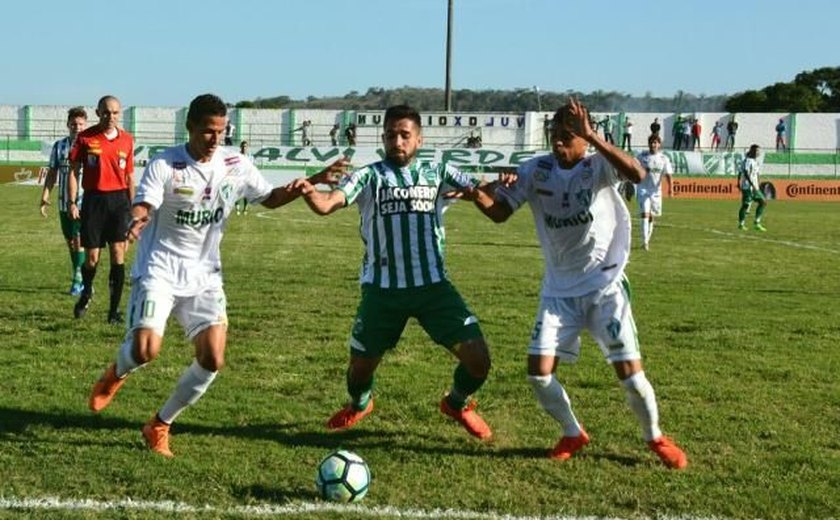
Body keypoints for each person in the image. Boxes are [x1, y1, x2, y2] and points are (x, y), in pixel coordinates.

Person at [462, 98, 688, 469]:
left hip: (605, 287)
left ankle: (656, 437)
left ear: (584, 137)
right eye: (555, 135)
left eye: (568, 136)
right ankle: (572, 432)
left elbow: (638, 175)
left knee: (630, 378)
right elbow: (501, 213)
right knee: (537, 373)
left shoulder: (598, 164)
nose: (558, 143)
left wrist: (594, 139)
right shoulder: (536, 170)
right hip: (558, 292)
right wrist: (477, 195)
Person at [86, 93, 315, 458]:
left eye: (221, 131)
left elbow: (268, 197)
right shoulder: (166, 163)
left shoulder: (236, 164)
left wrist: (307, 183)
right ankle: (117, 372)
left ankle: (159, 424)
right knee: (146, 350)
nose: (216, 139)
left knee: (213, 359)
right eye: (209, 131)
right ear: (190, 127)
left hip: (205, 274)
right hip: (160, 269)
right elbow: (145, 202)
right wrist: (138, 216)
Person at [291, 104, 494, 441]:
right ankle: (360, 404)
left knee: (479, 360)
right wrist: (311, 192)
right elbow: (329, 204)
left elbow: (481, 189)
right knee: (358, 371)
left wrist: (498, 185)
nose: (396, 142)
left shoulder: (438, 171)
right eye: (390, 135)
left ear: (419, 139)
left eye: (404, 135)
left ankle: (456, 403)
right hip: (382, 291)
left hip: (433, 289)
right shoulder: (368, 176)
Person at [67, 95, 135, 324]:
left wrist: (134, 208)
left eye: (115, 112)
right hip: (94, 201)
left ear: (120, 113)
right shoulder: (85, 138)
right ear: (98, 113)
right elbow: (74, 172)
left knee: (118, 254)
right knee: (92, 258)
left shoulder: (127, 140)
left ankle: (113, 312)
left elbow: (130, 176)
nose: (110, 117)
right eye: (106, 112)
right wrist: (72, 201)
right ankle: (86, 292)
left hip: (119, 202)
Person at [40, 107, 88, 296]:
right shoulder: (59, 146)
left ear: (86, 126)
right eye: (74, 124)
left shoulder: (90, 146)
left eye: (81, 124)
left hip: (84, 202)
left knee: (78, 239)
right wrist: (45, 195)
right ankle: (79, 273)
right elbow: (52, 173)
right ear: (68, 125)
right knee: (70, 241)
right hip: (63, 202)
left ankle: (79, 279)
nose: (77, 127)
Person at [635, 134, 674, 250]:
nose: (653, 145)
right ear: (648, 144)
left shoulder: (664, 159)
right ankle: (644, 242)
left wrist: (671, 188)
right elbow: (632, 167)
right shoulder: (641, 157)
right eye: (651, 142)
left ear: (659, 145)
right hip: (643, 189)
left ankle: (647, 239)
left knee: (651, 216)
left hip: (656, 192)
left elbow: (668, 175)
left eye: (656, 143)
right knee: (645, 214)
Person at [738, 144, 767, 232]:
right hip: (748, 186)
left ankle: (757, 223)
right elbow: (746, 173)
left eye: (759, 151)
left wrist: (758, 184)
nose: (758, 153)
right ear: (753, 151)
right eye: (757, 151)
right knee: (746, 205)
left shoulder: (755, 162)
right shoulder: (748, 161)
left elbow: (757, 174)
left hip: (755, 187)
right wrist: (751, 184)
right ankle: (741, 224)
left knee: (763, 202)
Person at [235, 140, 253, 215]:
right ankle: (238, 209)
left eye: (245, 146)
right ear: (240, 147)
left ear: (247, 148)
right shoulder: (237, 156)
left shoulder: (250, 157)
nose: (244, 148)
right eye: (243, 146)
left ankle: (245, 208)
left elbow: (252, 168)